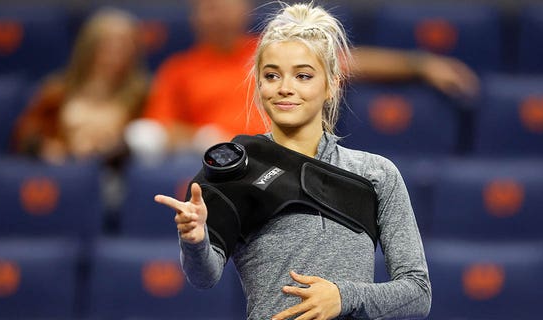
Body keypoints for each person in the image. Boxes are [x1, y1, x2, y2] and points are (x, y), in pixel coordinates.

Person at [154, 3, 431, 319]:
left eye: (303, 76)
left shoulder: (376, 173)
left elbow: (417, 293)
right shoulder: (235, 171)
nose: (285, 88)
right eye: (272, 75)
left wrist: (344, 297)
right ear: (259, 84)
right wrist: (195, 240)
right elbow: (204, 276)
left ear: (331, 84)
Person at [133, 0, 478, 156]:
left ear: (244, 10)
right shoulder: (179, 69)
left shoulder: (274, 50)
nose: (217, 14)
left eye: (226, 5)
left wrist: (420, 65)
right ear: (195, 16)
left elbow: (350, 61)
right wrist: (205, 138)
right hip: (222, 164)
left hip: (288, 155)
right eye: (208, 7)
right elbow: (159, 130)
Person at [12, 7, 149, 165]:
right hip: (63, 171)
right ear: (90, 47)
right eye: (108, 45)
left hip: (114, 176)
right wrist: (46, 148)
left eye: (124, 46)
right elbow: (26, 136)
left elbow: (147, 143)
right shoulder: (56, 92)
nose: (116, 54)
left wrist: (112, 149)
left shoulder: (144, 97)